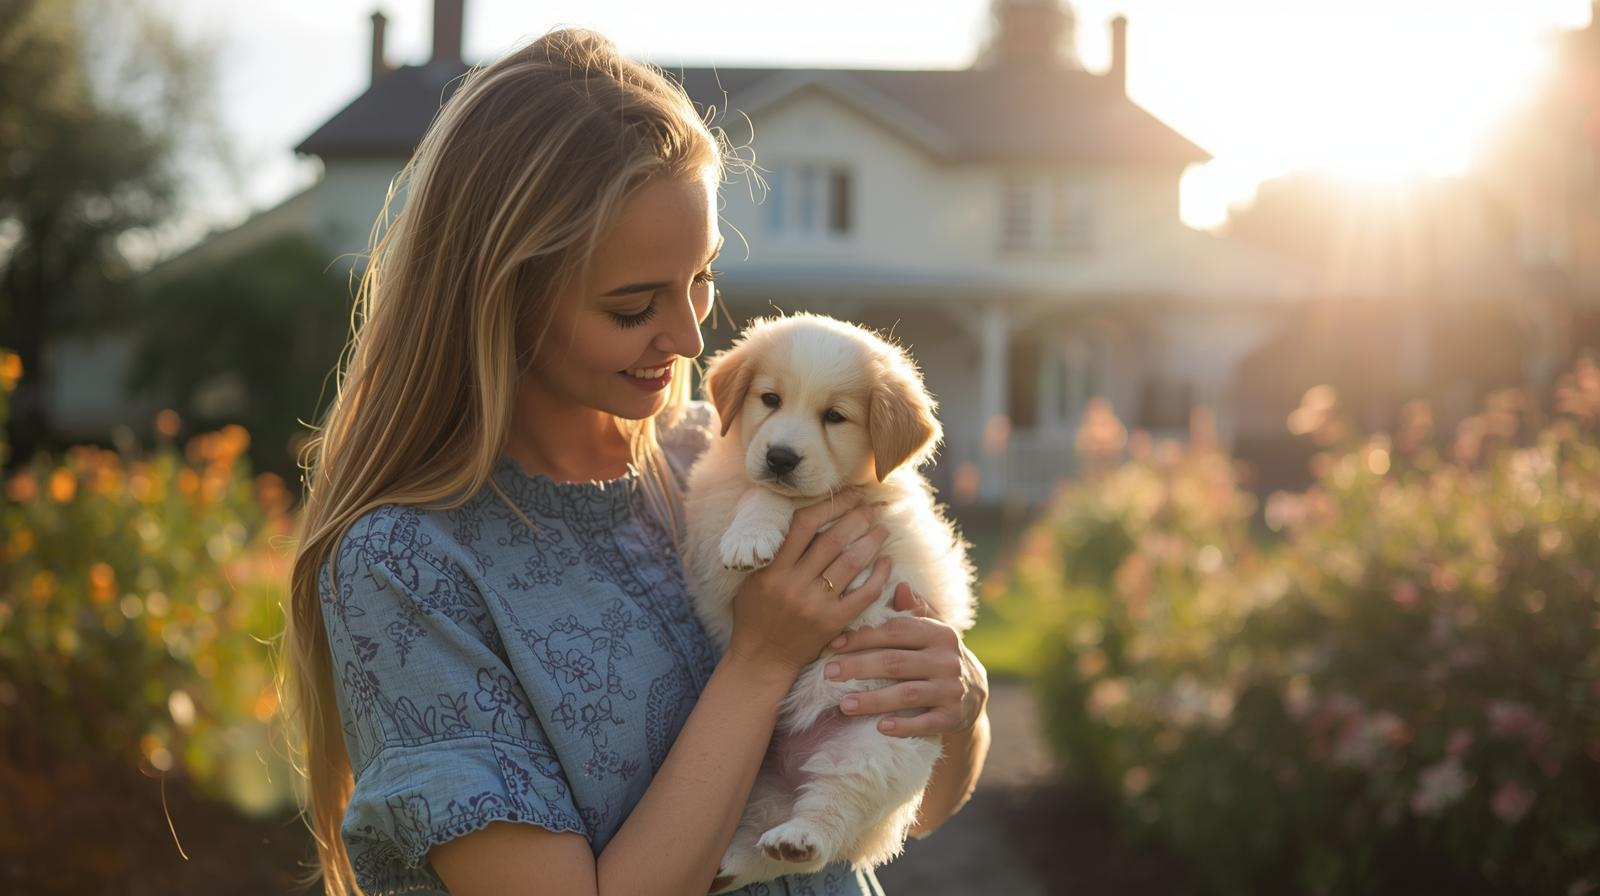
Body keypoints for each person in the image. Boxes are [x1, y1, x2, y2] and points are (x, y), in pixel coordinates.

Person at [280, 28, 990, 896]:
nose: (692, 336)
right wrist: (763, 660)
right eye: (632, 306)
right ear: (502, 299)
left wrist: (955, 710)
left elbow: (914, 813)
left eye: (702, 277)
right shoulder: (409, 568)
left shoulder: (712, 457)